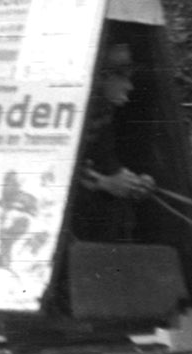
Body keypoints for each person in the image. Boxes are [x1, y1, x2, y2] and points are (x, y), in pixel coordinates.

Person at [64, 39, 155, 243]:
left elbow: (108, 163)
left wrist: (134, 184)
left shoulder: (103, 116)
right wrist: (104, 183)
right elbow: (59, 168)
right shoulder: (72, 111)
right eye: (124, 78)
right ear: (103, 77)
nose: (130, 86)